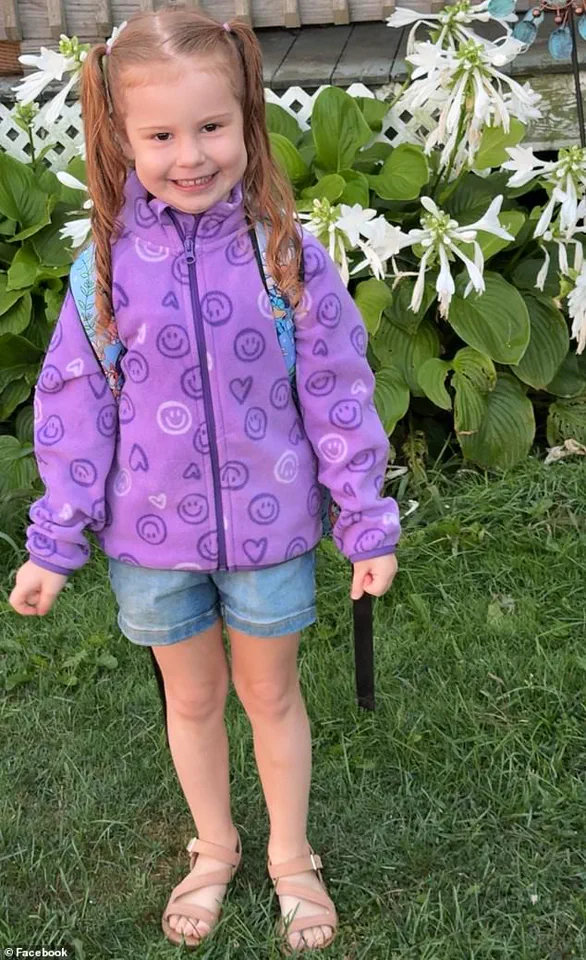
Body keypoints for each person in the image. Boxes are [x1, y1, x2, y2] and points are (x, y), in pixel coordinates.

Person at [9, 7, 400, 953]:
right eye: (160, 135)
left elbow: (337, 393)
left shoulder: (287, 256)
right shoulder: (103, 274)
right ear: (121, 137)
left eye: (211, 126)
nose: (190, 156)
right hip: (150, 546)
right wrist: (54, 543)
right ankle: (215, 846)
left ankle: (291, 856)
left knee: (271, 697)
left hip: (270, 537)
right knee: (191, 701)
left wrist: (365, 520)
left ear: (246, 118)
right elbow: (75, 410)